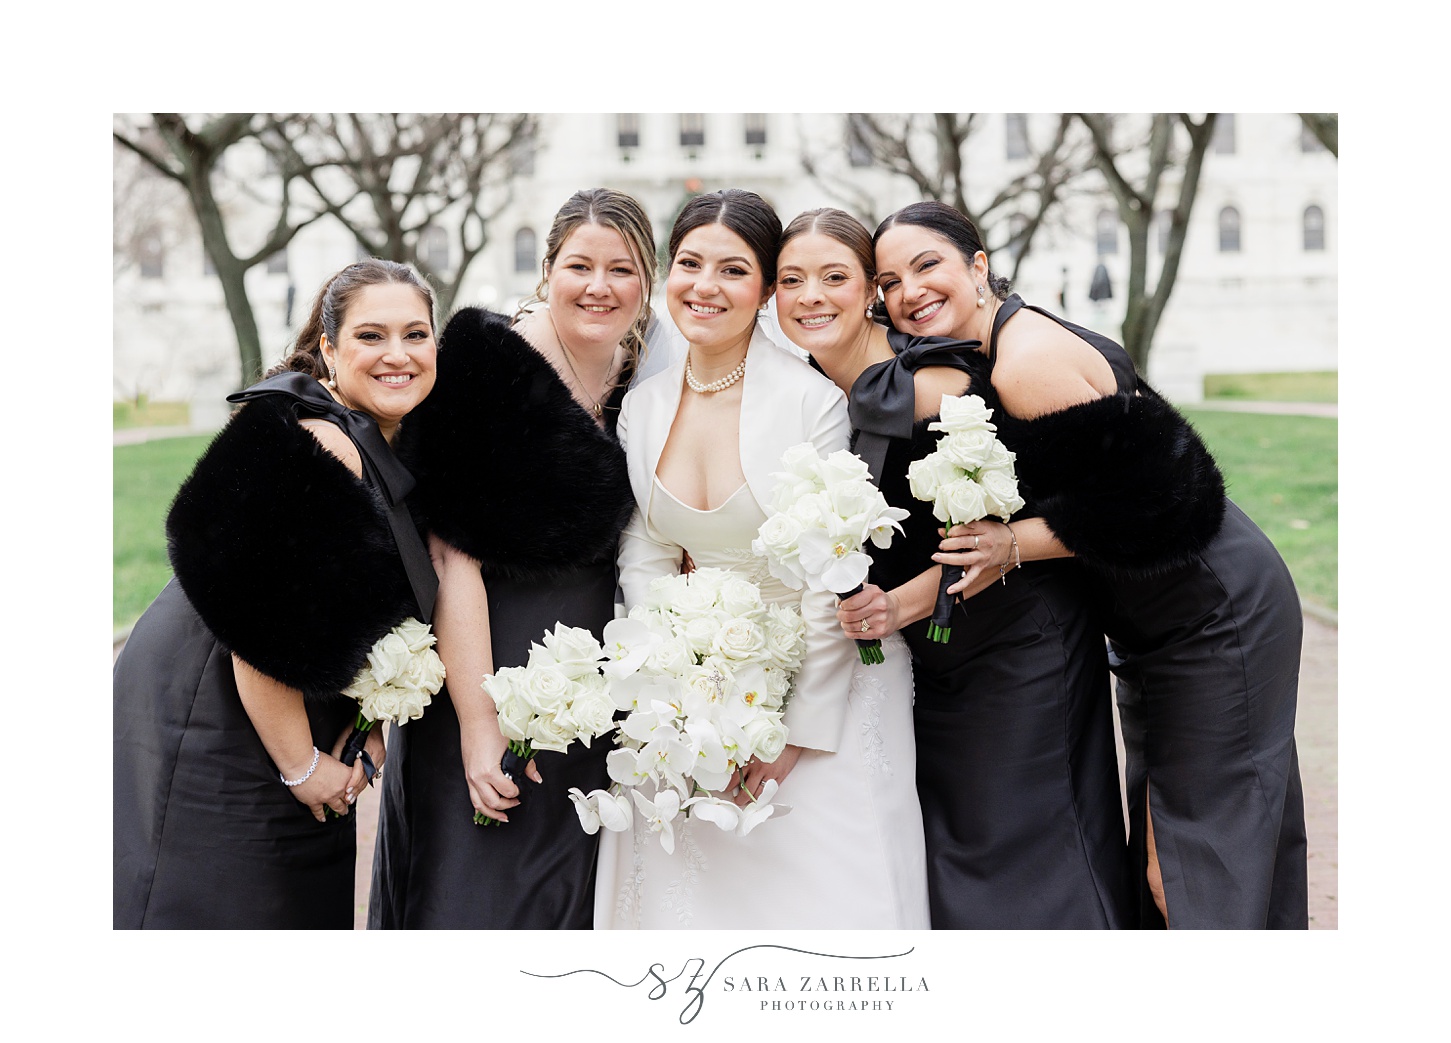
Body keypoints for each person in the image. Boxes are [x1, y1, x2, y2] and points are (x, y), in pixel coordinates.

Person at [877, 200, 1308, 929]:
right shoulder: (987, 346)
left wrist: (1010, 542)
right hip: (1154, 617)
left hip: (1209, 609)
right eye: (887, 281)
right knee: (1192, 832)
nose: (907, 291)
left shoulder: (1023, 363)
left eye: (927, 265)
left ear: (977, 266)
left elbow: (1162, 507)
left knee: (1194, 853)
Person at [778, 208, 1132, 929]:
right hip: (931, 664)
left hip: (1016, 641)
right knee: (953, 859)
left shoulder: (945, 381)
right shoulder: (805, 382)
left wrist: (905, 601)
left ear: (862, 298)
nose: (812, 295)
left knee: (1039, 855)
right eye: (791, 280)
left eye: (835, 277)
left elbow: (1024, 512)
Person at [594, 190, 930, 930]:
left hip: (823, 688)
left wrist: (790, 735)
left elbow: (826, 572)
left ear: (763, 289)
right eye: (688, 263)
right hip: (690, 699)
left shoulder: (812, 402)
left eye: (733, 269)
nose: (704, 286)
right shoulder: (642, 406)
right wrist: (670, 692)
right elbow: (645, 548)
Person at [114, 259, 440, 929]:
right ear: (328, 347)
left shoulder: (387, 443)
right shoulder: (324, 438)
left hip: (285, 701)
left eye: (416, 334)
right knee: (233, 902)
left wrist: (369, 737)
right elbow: (261, 626)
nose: (398, 355)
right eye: (371, 336)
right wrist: (299, 764)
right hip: (219, 707)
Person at [368, 188, 654, 929]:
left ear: (645, 278)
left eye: (621, 268)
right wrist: (478, 720)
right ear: (546, 270)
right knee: (480, 896)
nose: (599, 286)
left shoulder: (643, 372)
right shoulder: (485, 361)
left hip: (589, 694)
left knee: (567, 904)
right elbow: (451, 554)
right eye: (579, 265)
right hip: (486, 667)